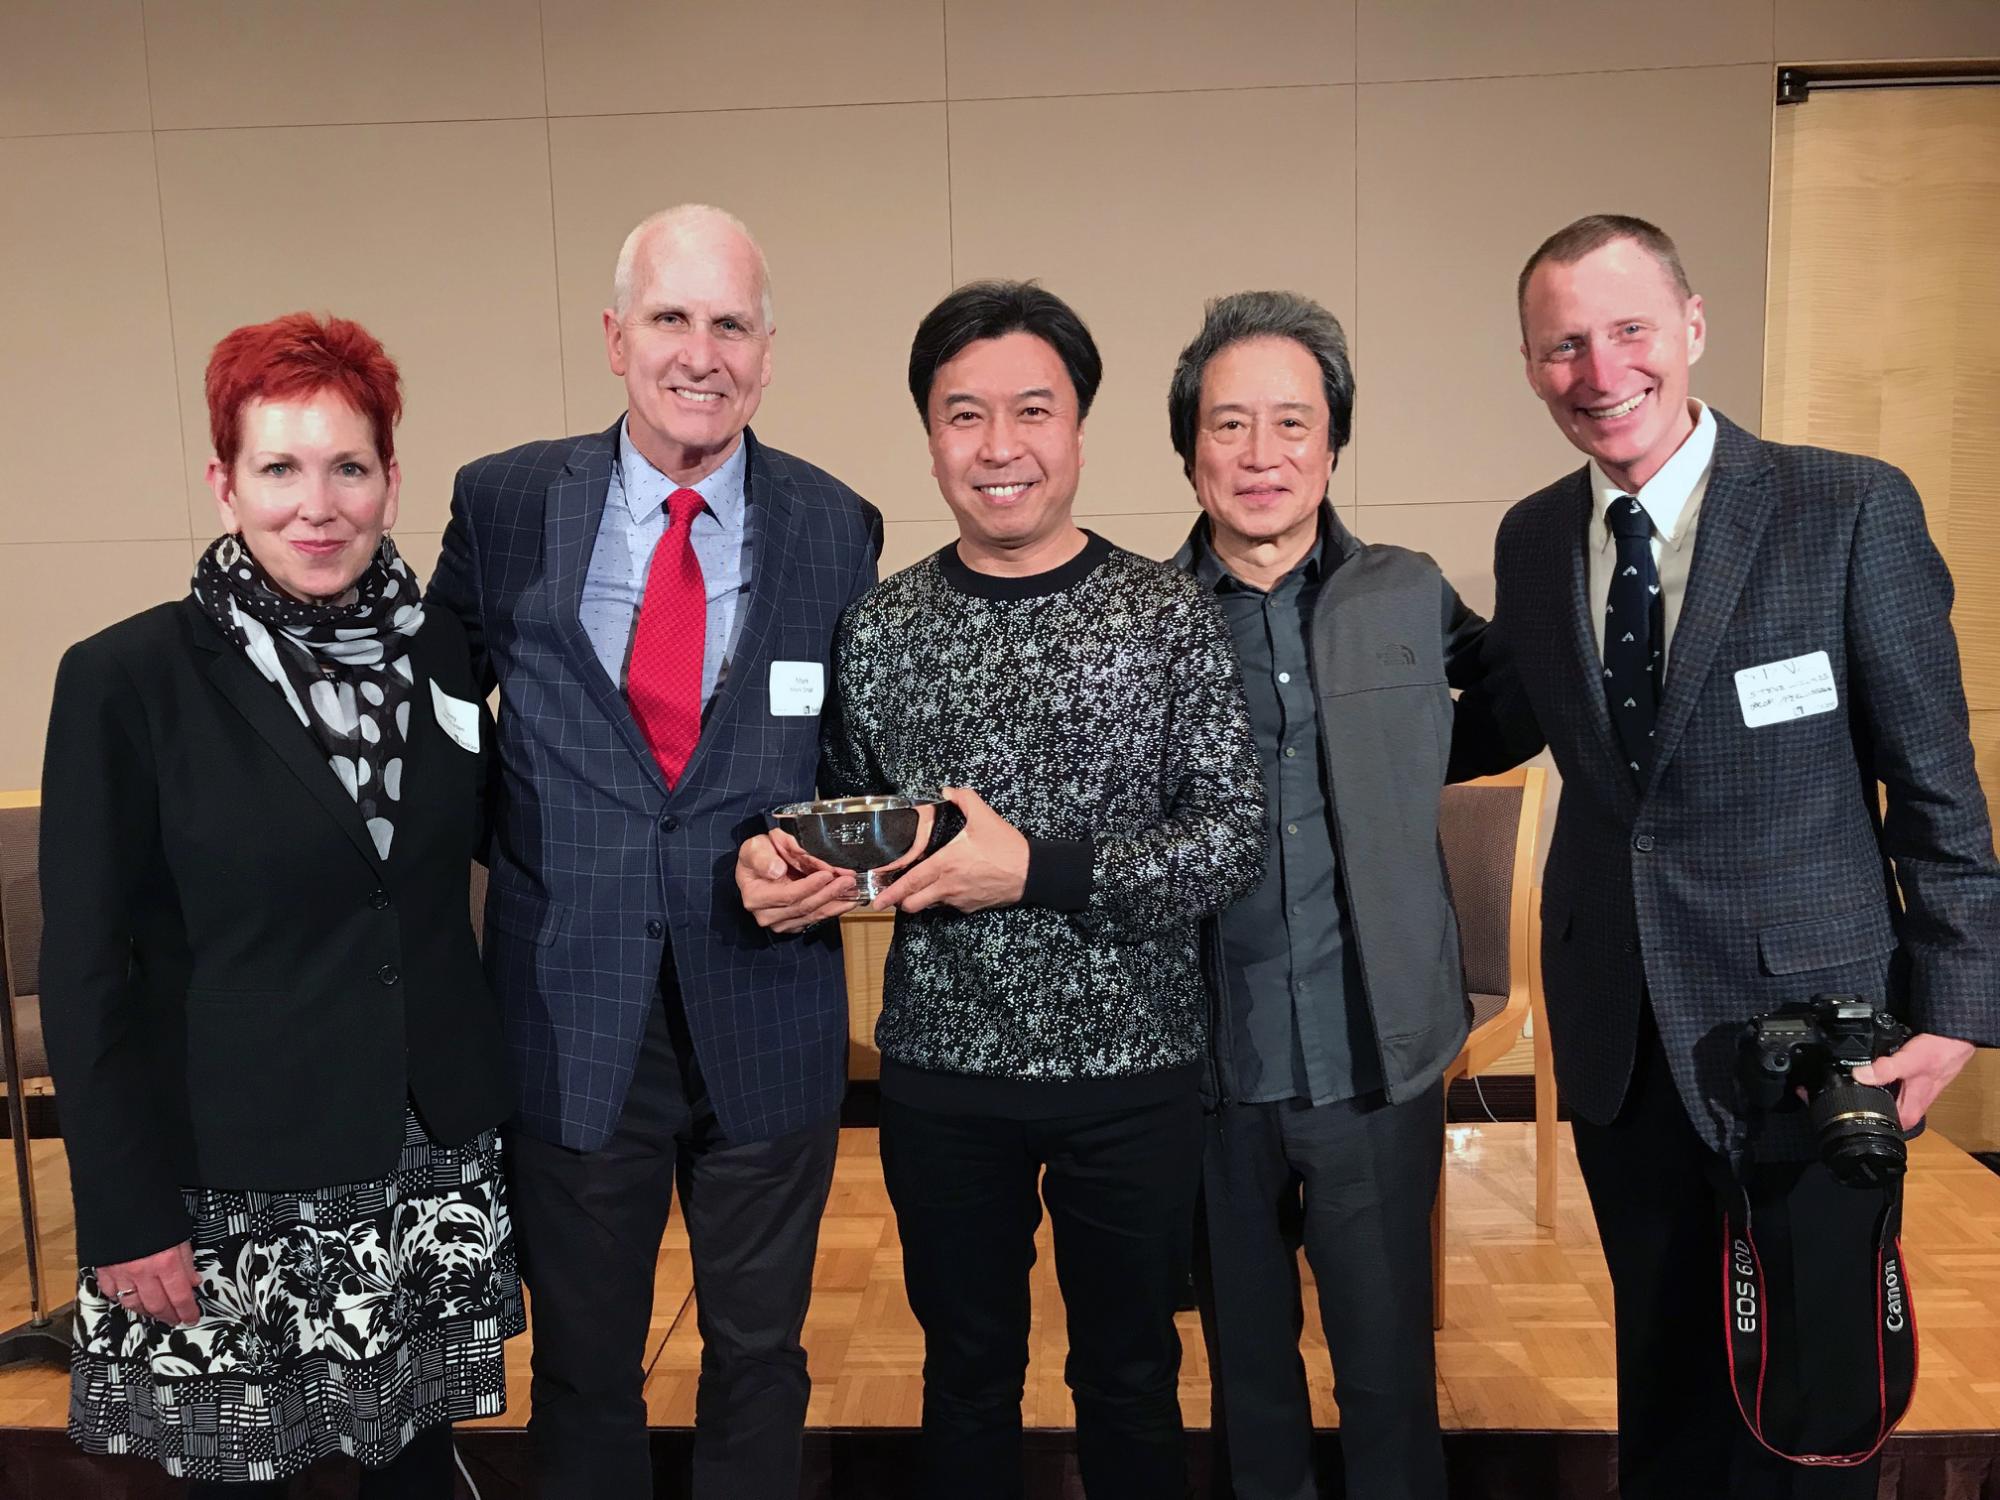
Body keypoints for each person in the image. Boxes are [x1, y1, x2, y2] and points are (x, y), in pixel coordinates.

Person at [1455, 213, 2000, 1498]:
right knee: (1664, 1377)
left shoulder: (1844, 507)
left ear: (1692, 327)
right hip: (1619, 1027)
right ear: (1529, 365)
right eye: (1562, 346)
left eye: (1628, 330)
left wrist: (1957, 1008)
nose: (1599, 372)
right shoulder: (1531, 539)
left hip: (1808, 1035)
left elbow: (1935, 782)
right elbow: (1487, 719)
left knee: (1813, 1385)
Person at [737, 280, 1265, 1500]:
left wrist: (1036, 869)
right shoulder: (881, 628)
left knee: (1129, 1376)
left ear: (1077, 426)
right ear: (929, 436)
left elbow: (1229, 841)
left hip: (1133, 1069)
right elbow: (849, 823)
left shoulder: (1164, 614)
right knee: (965, 1375)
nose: (998, 446)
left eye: (1032, 410)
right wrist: (787, 861)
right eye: (962, 414)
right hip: (942, 1071)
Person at [427, 204, 881, 1500]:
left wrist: (819, 863)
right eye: (671, 318)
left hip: (767, 1011)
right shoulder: (507, 502)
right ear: (616, 337)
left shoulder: (837, 525)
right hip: (569, 1010)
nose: (701, 352)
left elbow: (853, 770)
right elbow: (440, 721)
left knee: (762, 1360)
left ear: (768, 352)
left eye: (730, 324)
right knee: (583, 1371)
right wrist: (523, 849)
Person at [39, 312, 520, 1496]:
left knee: (417, 1467)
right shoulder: (126, 679)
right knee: (245, 1477)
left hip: (420, 1156)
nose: (318, 505)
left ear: (390, 480)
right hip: (232, 1178)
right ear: (224, 484)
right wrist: (123, 1210)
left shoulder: (441, 653)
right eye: (279, 468)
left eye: (348, 467)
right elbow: (87, 970)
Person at [1165, 291, 1492, 1500]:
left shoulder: (1408, 592)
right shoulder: (1138, 620)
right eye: (1229, 424)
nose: (1260, 454)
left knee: (1387, 1373)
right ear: (1188, 449)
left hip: (1373, 1059)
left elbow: (1508, 705)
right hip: (1210, 1064)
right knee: (1247, 1375)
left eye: (1290, 422)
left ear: (1333, 442)